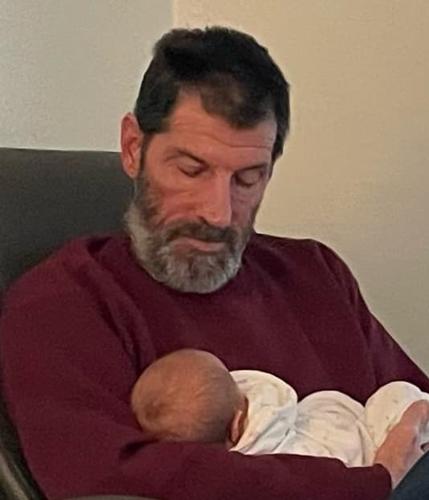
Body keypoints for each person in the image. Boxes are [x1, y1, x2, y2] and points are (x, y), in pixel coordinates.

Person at [0, 26, 428, 500]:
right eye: (191, 170)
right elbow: (103, 476)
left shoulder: (315, 273)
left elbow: (416, 413)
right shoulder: (64, 303)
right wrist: (369, 482)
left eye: (247, 179)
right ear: (133, 148)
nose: (218, 213)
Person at [130, 348, 429, 467]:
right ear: (236, 424)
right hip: (369, 445)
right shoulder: (270, 404)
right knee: (397, 393)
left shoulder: (249, 472)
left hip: (354, 444)